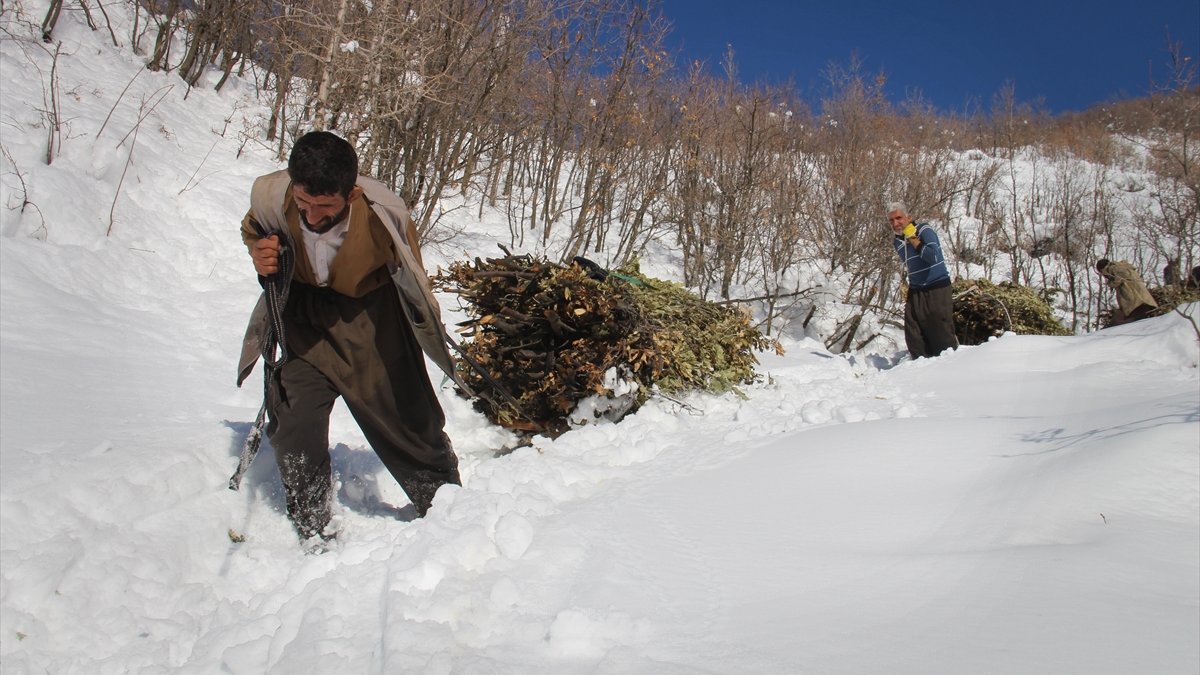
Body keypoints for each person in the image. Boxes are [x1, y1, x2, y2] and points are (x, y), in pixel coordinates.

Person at [236, 131, 466, 545]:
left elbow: (412, 277)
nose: (312, 215)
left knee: (407, 415)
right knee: (295, 418)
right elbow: (253, 228)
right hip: (304, 317)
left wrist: (425, 331)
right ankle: (312, 521)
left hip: (369, 318)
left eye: (325, 207)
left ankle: (446, 509)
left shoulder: (383, 215)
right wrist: (260, 251)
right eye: (304, 202)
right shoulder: (271, 196)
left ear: (352, 193)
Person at [887, 201, 958, 358]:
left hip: (937, 287)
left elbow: (932, 257)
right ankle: (920, 365)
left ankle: (951, 363)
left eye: (899, 218)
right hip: (916, 290)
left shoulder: (924, 230)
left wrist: (912, 238)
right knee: (913, 334)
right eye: (891, 220)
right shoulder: (897, 242)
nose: (895, 223)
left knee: (941, 334)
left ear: (908, 217)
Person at [1096, 258, 1158, 324]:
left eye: (1101, 272)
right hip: (1144, 300)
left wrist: (1111, 283)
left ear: (1102, 269)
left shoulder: (1113, 268)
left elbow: (1123, 274)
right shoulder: (1122, 266)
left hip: (1136, 303)